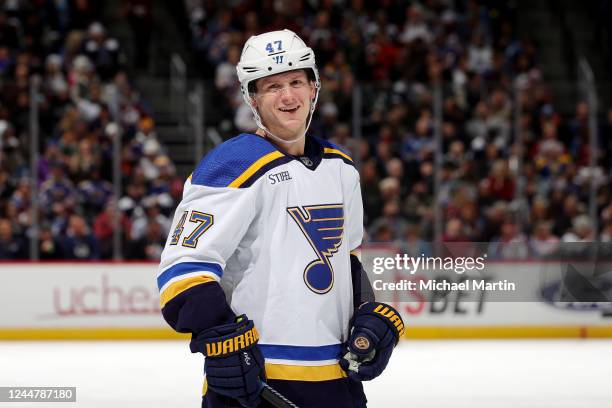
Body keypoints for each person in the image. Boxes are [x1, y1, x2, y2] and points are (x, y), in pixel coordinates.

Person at [157, 29, 404, 408]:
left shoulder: (342, 169)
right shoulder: (231, 166)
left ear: (314, 88)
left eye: (295, 82)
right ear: (251, 98)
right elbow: (182, 273)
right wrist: (223, 341)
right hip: (257, 381)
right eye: (272, 87)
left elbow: (347, 258)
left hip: (337, 381)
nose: (288, 96)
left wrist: (366, 313)